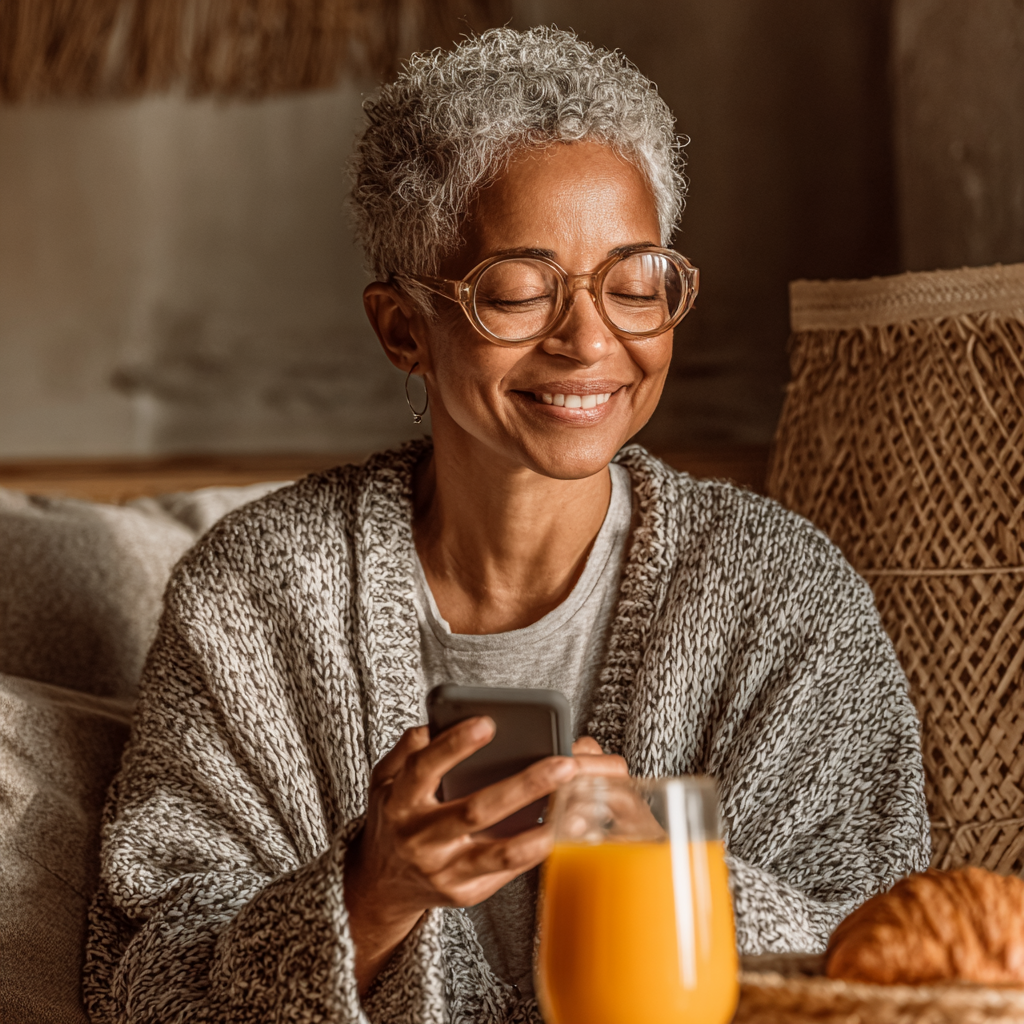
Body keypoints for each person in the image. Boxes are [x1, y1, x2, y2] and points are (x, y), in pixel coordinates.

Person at [84, 26, 929, 1024]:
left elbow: (881, 968)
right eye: (519, 293)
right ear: (404, 328)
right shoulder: (254, 599)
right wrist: (369, 894)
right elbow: (140, 981)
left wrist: (669, 875)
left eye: (634, 284)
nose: (587, 341)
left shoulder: (786, 601)